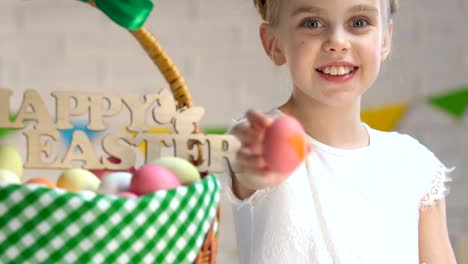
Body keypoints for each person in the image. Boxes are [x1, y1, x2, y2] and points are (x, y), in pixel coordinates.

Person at [220, 0, 458, 263]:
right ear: (274, 43)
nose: (337, 41)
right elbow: (245, 162)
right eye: (312, 23)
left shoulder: (416, 166)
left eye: (359, 23)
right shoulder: (260, 138)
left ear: (385, 40)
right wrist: (254, 160)